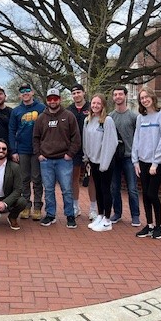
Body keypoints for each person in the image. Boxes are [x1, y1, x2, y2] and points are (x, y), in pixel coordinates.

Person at [32, 88, 81, 228]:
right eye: (50, 99)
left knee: (67, 189)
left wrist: (70, 154)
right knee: (48, 189)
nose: (53, 101)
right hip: (46, 160)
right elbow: (35, 138)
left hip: (64, 160)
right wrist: (39, 154)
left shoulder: (68, 116)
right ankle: (50, 215)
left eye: (55, 98)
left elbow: (76, 138)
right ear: (47, 100)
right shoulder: (41, 118)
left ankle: (70, 215)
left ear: (60, 99)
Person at [133, 86, 161, 239]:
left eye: (146, 97)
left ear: (153, 97)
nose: (144, 100)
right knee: (145, 194)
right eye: (142, 98)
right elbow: (137, 139)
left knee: (152, 193)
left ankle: (159, 226)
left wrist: (155, 163)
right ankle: (149, 225)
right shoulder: (140, 118)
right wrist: (135, 161)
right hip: (143, 161)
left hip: (158, 162)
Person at [8, 83, 45, 220]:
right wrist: (14, 150)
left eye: (27, 90)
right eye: (22, 91)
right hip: (22, 150)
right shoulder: (16, 111)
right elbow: (11, 131)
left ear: (32, 92)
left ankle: (37, 207)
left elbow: (46, 129)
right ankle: (26, 206)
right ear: (20, 94)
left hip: (37, 150)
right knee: (24, 180)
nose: (25, 93)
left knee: (37, 179)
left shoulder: (41, 108)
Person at [82, 94, 118, 233]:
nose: (95, 106)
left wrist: (104, 163)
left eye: (98, 103)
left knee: (105, 189)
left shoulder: (107, 121)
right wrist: (87, 158)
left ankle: (107, 220)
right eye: (93, 103)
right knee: (97, 189)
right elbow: (86, 140)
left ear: (103, 105)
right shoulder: (88, 120)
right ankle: (101, 215)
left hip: (105, 162)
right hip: (93, 161)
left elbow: (111, 142)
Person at [109, 85, 141, 226]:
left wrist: (137, 158)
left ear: (126, 96)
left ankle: (135, 215)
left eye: (120, 94)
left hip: (129, 157)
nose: (118, 97)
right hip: (114, 158)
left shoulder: (134, 117)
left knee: (132, 188)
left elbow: (139, 137)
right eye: (115, 95)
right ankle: (117, 213)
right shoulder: (110, 117)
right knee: (114, 187)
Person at [66, 83, 96, 219]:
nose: (76, 95)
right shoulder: (68, 110)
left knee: (92, 179)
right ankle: (75, 206)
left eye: (79, 92)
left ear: (84, 93)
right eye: (74, 93)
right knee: (74, 178)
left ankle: (93, 209)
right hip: (74, 150)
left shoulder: (92, 108)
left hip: (90, 149)